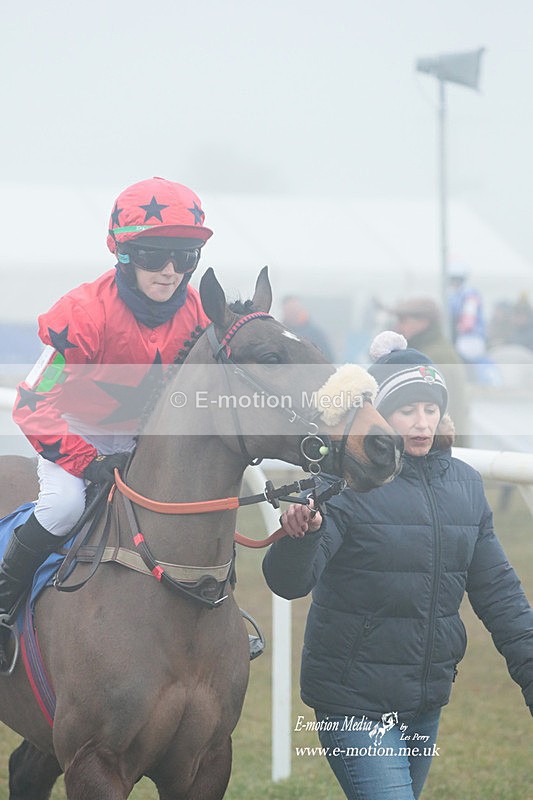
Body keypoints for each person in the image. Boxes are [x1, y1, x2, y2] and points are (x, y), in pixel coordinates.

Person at [262, 330, 533, 800]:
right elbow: (289, 582)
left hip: (425, 702)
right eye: (407, 410)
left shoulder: (467, 485)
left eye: (430, 409)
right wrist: (300, 535)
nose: (422, 423)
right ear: (379, 416)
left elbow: (501, 595)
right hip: (353, 703)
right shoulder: (343, 483)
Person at [1, 177, 213, 619]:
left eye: (185, 256)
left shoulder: (199, 315)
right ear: (125, 253)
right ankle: (5, 605)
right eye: (155, 256)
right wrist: (89, 461)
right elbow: (32, 405)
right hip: (77, 439)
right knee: (63, 508)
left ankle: (214, 619)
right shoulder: (82, 315)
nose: (170, 271)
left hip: (146, 444)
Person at [390, 296, 470, 447]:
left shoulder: (431, 358)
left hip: (440, 449)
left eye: (403, 320)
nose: (398, 327)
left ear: (423, 321)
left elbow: (442, 415)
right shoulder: (435, 351)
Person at [281, 295, 335, 361]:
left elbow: (328, 358)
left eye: (294, 309)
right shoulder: (280, 333)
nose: (292, 313)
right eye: (289, 310)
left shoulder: (316, 334)